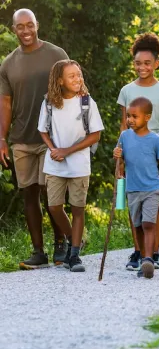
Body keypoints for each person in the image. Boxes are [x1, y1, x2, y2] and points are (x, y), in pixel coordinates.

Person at [0, 8, 69, 269]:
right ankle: (38, 252)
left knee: (51, 193)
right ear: (14, 29)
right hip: (21, 138)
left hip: (52, 138)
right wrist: (2, 138)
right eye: (20, 26)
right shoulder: (8, 64)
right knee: (29, 194)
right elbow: (5, 103)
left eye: (30, 25)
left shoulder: (56, 55)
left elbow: (72, 88)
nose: (26, 31)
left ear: (37, 25)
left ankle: (61, 246)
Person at [117, 33, 159, 271]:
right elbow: (124, 125)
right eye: (138, 63)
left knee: (156, 199)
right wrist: (121, 158)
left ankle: (155, 252)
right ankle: (138, 251)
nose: (142, 67)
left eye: (147, 63)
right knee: (134, 200)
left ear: (156, 64)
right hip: (132, 146)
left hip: (156, 145)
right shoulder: (126, 90)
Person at [38, 60, 104, 272]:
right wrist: (53, 148)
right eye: (72, 76)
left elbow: (95, 135)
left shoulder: (86, 102)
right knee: (54, 207)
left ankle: (74, 254)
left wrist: (67, 151)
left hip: (79, 165)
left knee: (77, 208)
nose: (78, 79)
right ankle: (73, 239)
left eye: (79, 75)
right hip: (55, 163)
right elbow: (43, 130)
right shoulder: (49, 102)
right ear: (60, 80)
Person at [113, 97, 159, 279]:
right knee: (138, 225)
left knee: (148, 224)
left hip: (152, 188)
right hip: (132, 189)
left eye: (134, 116)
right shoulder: (124, 137)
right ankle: (141, 255)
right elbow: (120, 161)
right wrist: (117, 155)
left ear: (147, 117)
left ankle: (148, 258)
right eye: (128, 116)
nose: (130, 120)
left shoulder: (155, 140)